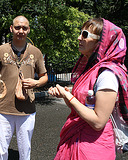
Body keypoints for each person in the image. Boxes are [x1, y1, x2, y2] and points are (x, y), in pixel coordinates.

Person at [0, 15, 48, 160]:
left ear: (28, 30)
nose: (21, 31)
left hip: (27, 109)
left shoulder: (35, 52)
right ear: (11, 29)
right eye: (17, 27)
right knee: (0, 151)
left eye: (24, 28)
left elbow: (44, 76)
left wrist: (36, 83)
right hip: (2, 108)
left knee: (25, 151)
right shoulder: (0, 50)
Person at [48, 18, 128, 159]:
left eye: (85, 35)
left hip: (92, 147)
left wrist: (68, 96)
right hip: (79, 139)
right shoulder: (92, 69)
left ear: (101, 42)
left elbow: (98, 122)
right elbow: (80, 108)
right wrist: (66, 95)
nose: (79, 38)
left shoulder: (107, 75)